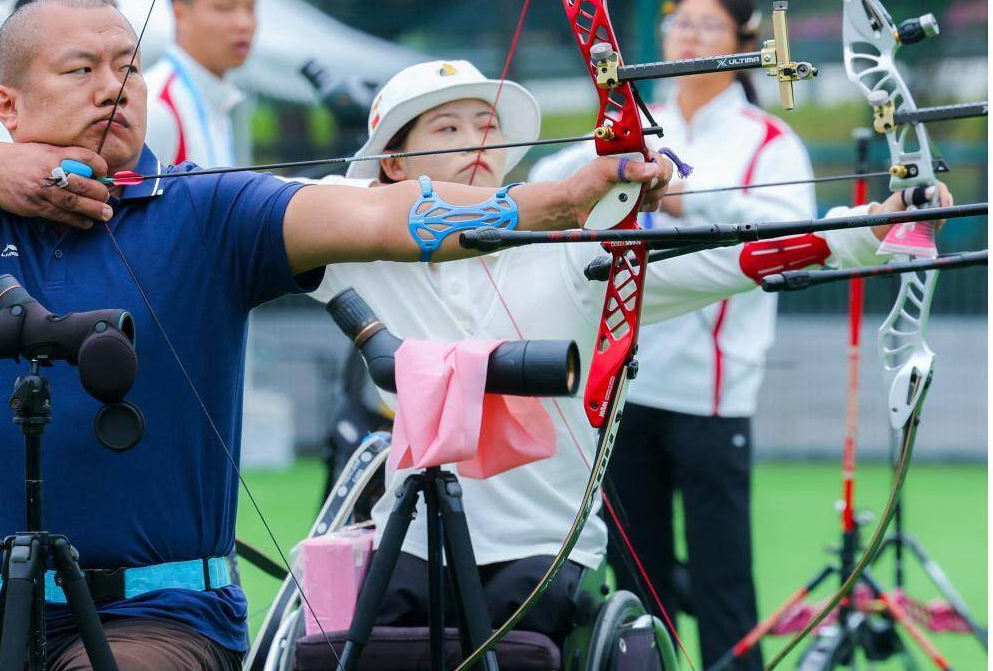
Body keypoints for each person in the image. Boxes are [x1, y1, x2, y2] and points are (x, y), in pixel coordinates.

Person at [0, 0, 674, 671]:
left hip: (157, 620)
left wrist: (552, 199)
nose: (111, 89)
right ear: (7, 106)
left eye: (126, 67)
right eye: (78, 70)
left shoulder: (212, 212)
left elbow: (386, 218)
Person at [302, 58, 948, 647]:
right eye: (447, 130)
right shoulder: (355, 245)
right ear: (391, 164)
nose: (477, 141)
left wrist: (870, 227)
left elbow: (732, 256)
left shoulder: (568, 245)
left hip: (541, 550)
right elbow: (268, 210)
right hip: (409, 541)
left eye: (487, 124)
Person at [532, 0, 815, 669]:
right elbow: (552, 181)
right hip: (630, 382)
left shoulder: (769, 141)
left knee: (722, 583)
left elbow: (793, 234)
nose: (687, 38)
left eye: (708, 27)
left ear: (749, 46)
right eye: (678, 23)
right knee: (638, 579)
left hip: (714, 395)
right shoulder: (633, 124)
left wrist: (683, 198)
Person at [0, 0, 153, 141]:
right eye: (80, 70)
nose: (114, 90)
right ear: (8, 106)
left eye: (129, 69)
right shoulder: (14, 83)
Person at [143, 0, 258, 168]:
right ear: (181, 15)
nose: (244, 23)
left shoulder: (218, 98)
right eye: (225, 7)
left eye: (250, 7)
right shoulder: (155, 106)